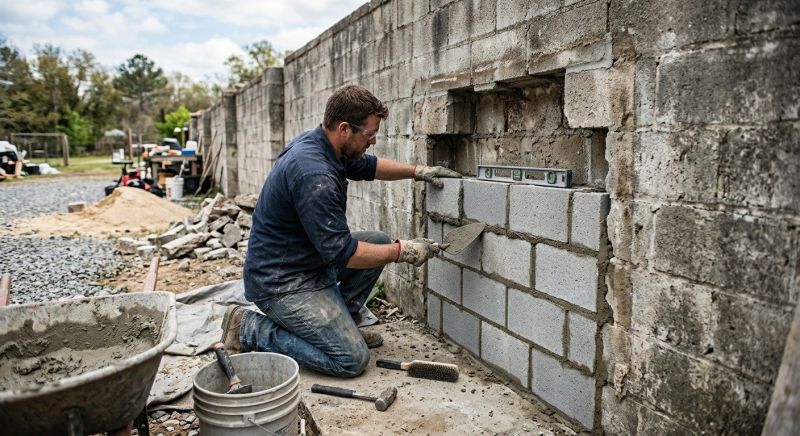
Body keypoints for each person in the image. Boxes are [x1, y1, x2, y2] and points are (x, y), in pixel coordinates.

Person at [220, 85, 461, 377]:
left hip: (305, 260)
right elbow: (343, 253)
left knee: (378, 242)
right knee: (351, 359)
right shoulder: (314, 174)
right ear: (345, 129)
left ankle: (341, 324)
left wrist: (418, 172)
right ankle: (247, 328)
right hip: (281, 282)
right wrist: (404, 251)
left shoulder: (327, 144)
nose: (373, 141)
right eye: (370, 134)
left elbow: (370, 167)